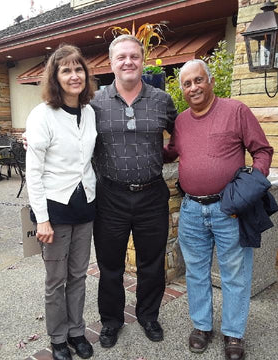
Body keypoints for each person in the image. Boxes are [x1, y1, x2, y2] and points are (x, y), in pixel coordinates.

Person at [163, 59, 273, 360]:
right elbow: (170, 152)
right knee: (196, 273)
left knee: (235, 274)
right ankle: (202, 326)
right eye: (187, 84)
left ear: (210, 81)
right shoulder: (181, 122)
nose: (193, 87)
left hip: (229, 210)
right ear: (182, 90)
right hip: (191, 210)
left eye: (198, 80)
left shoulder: (236, 111)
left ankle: (234, 334)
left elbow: (262, 150)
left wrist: (253, 184)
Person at [90, 34, 177, 348]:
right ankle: (111, 321)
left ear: (142, 61)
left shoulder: (161, 100)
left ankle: (148, 316)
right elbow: (67, 132)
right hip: (110, 196)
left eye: (134, 57)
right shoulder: (94, 103)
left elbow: (180, 136)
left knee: (151, 263)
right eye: (121, 57)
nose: (128, 62)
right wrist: (33, 136)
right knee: (109, 264)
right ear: (111, 63)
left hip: (152, 195)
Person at [25, 44, 97, 360]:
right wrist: (40, 217)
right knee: (56, 280)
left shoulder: (91, 112)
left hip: (85, 206)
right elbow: (33, 171)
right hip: (54, 210)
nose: (73, 75)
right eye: (65, 70)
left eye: (78, 68)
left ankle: (76, 332)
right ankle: (57, 338)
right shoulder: (43, 115)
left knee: (79, 275)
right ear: (55, 76)